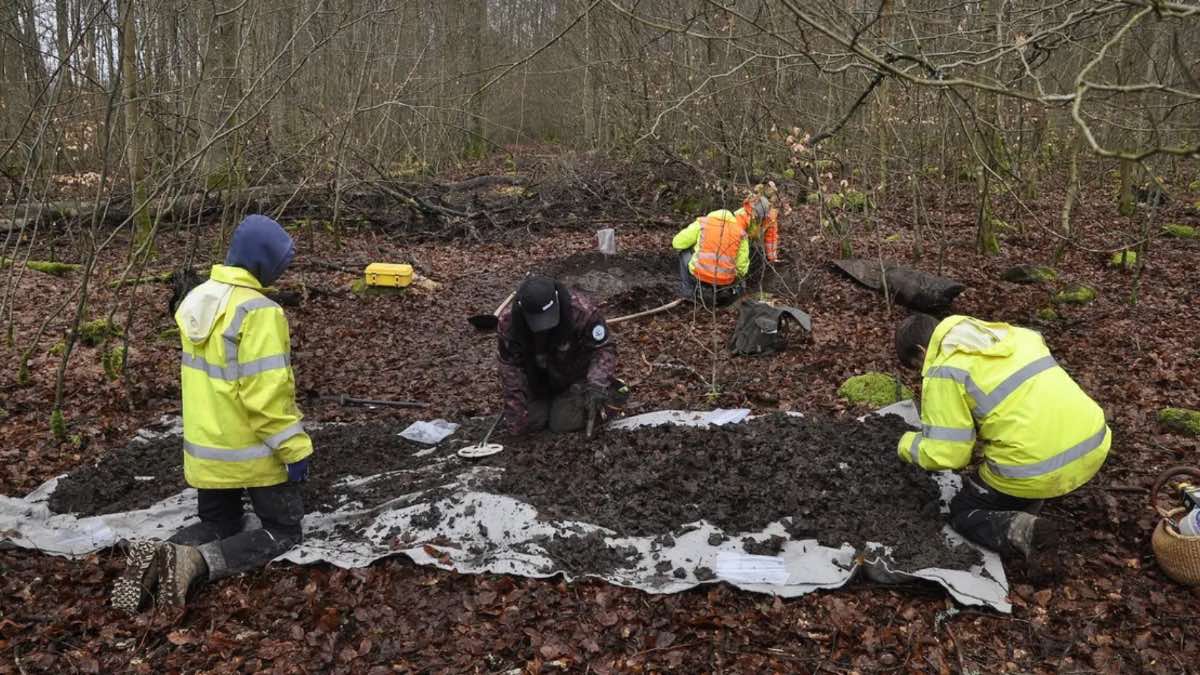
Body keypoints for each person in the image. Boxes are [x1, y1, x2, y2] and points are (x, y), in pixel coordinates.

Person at [111, 215, 313, 613]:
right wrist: (294, 449)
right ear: (263, 262)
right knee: (282, 531)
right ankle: (197, 562)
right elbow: (266, 398)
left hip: (206, 454)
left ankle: (159, 554)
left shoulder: (196, 300)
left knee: (221, 522)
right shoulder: (259, 312)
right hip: (253, 454)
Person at [894, 313, 1110, 570]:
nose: (922, 373)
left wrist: (905, 444)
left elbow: (947, 455)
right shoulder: (1017, 335)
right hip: (1095, 443)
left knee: (962, 511)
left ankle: (1023, 530)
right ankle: (1031, 498)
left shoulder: (945, 369)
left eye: (918, 365)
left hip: (1037, 468)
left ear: (921, 350)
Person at [497, 275, 624, 435]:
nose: (544, 328)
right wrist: (515, 413)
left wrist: (597, 384)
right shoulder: (509, 325)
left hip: (575, 378)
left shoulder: (582, 311)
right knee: (527, 422)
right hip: (539, 382)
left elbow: (603, 348)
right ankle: (550, 405)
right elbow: (510, 369)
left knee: (562, 423)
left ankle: (611, 396)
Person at [672, 208, 750, 305]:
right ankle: (724, 294)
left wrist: (695, 245)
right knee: (740, 273)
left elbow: (677, 243)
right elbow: (742, 267)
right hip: (725, 280)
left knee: (684, 252)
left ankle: (688, 293)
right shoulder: (741, 233)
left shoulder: (703, 223)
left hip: (700, 274)